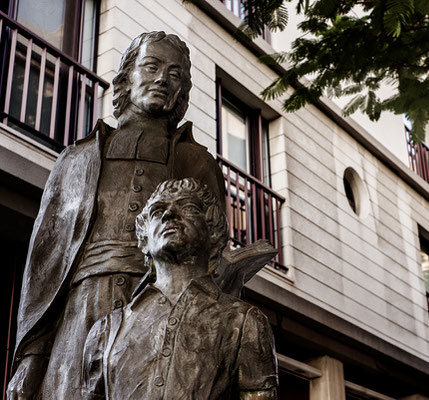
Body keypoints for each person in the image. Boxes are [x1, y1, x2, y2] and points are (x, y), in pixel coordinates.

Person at [8, 32, 226, 399]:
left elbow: (215, 257)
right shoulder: (76, 159)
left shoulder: (197, 162)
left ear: (182, 90)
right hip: (81, 313)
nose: (162, 79)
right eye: (151, 67)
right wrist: (31, 357)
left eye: (174, 74)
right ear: (126, 76)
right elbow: (45, 265)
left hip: (164, 312)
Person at [82, 178, 277, 399]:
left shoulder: (245, 322)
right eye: (157, 212)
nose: (169, 215)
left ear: (214, 232)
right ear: (144, 240)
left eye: (188, 207)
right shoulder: (105, 331)